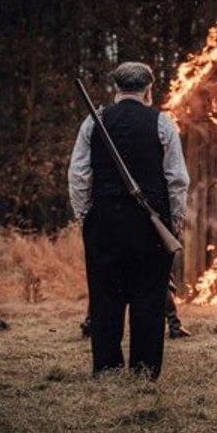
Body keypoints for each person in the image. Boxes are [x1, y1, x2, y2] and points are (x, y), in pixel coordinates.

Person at [68, 61, 190, 378]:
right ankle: (144, 371)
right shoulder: (162, 123)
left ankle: (107, 369)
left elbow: (78, 175)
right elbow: (177, 179)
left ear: (116, 88)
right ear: (149, 89)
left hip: (104, 222)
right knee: (149, 297)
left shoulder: (93, 122)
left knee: (105, 295)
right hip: (150, 226)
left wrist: (85, 215)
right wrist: (173, 221)